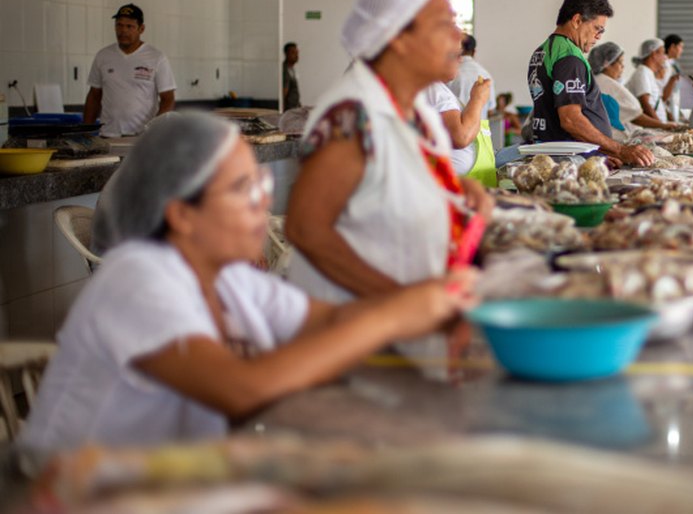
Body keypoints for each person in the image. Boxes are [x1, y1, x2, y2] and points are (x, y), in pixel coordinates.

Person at [18, 113, 475, 467]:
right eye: (243, 189)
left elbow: (330, 321)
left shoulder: (231, 280)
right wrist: (395, 316)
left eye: (260, 182)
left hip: (165, 481)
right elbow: (240, 390)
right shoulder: (136, 279)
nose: (263, 202)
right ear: (182, 214)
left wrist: (430, 309)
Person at [284, 0, 493, 301]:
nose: (459, 37)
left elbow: (389, 183)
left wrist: (459, 189)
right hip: (353, 316)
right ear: (398, 38)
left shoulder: (415, 106)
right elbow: (306, 229)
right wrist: (396, 300)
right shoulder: (351, 116)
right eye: (445, 24)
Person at [527, 0, 653, 167]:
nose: (599, 37)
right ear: (577, 20)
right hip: (568, 162)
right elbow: (570, 120)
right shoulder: (569, 58)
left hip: (560, 156)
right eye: (597, 29)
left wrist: (598, 151)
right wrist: (620, 150)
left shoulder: (544, 50)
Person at [83, 4, 175, 137]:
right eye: (119, 25)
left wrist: (155, 130)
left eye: (129, 26)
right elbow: (94, 96)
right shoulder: (103, 56)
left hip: (142, 137)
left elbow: (168, 99)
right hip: (108, 134)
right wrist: (86, 132)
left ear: (141, 29)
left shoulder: (156, 58)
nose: (123, 31)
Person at [589, 42, 683, 136]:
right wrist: (663, 126)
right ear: (607, 64)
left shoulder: (597, 81)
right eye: (620, 62)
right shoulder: (607, 83)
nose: (623, 66)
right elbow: (637, 115)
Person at [424, 77, 497, 187]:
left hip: (466, 185)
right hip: (457, 188)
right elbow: (462, 137)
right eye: (452, 58)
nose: (459, 60)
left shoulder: (436, 88)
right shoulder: (433, 88)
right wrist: (478, 99)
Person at [448, 34, 496, 117]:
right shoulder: (485, 75)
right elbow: (490, 110)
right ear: (474, 52)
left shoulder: (448, 74)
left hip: (454, 127)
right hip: (480, 127)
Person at [625, 38, 671, 124]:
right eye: (663, 52)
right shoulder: (642, 72)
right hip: (654, 128)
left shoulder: (648, 73)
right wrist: (661, 126)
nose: (665, 57)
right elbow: (645, 104)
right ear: (654, 54)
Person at [662, 34, 686, 122]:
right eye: (681, 47)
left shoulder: (673, 64)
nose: (682, 51)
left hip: (673, 103)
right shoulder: (662, 64)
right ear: (672, 47)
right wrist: (667, 110)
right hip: (665, 106)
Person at [282, 42, 302, 110]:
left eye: (297, 53)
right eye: (293, 53)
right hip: (288, 110)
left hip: (294, 107)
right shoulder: (284, 70)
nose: (296, 55)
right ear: (286, 54)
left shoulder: (292, 69)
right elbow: (283, 93)